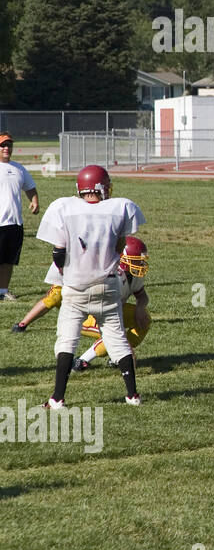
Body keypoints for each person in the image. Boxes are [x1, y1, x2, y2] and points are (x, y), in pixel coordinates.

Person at [36, 165, 145, 407]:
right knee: (117, 339)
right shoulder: (119, 208)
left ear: (81, 188)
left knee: (67, 340)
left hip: (75, 286)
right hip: (107, 285)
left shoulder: (65, 207)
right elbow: (120, 247)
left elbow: (58, 251)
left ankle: (57, 398)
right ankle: (132, 395)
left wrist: (67, 271)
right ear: (103, 187)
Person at [74, 236, 151, 371]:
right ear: (124, 259)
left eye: (140, 262)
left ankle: (117, 357)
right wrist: (125, 346)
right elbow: (106, 313)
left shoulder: (132, 274)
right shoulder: (114, 276)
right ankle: (82, 360)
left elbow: (143, 296)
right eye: (136, 261)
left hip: (112, 312)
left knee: (145, 319)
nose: (140, 266)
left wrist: (140, 308)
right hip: (91, 316)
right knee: (115, 335)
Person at [0, 132, 39, 302]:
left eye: (9, 145)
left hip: (15, 223)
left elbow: (30, 187)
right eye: (3, 145)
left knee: (9, 260)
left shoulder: (19, 168)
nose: (7, 148)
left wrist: (35, 201)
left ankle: (3, 290)